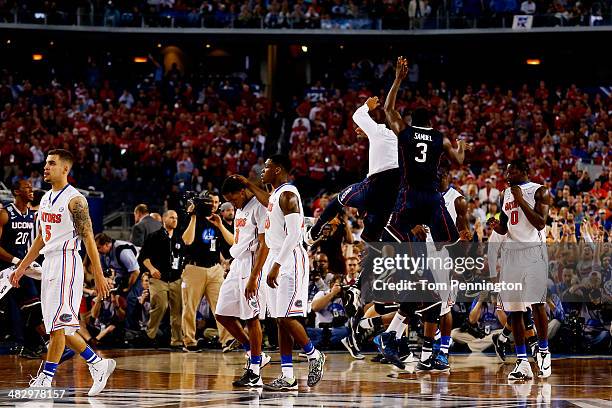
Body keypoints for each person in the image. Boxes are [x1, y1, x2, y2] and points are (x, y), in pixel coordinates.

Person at [375, 57, 468, 368]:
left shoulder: (406, 132)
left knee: (426, 292)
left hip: (408, 197)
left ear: (413, 121)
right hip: (430, 199)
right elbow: (457, 160)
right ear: (432, 123)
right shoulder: (440, 138)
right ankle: (398, 338)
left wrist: (398, 80)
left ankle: (399, 339)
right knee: (444, 256)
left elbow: (388, 111)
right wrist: (462, 147)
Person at [9, 149, 114, 396]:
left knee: (57, 326)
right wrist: (22, 267)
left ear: (65, 169)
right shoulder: (45, 199)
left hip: (68, 263)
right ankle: (98, 364)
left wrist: (98, 274)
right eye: (46, 163)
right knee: (62, 328)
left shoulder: (75, 200)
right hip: (50, 264)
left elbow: (88, 238)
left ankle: (45, 380)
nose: (46, 167)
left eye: (52, 163)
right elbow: (41, 239)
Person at [232, 154, 326, 391]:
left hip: (289, 257)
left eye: (267, 167)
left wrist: (276, 265)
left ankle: (314, 355)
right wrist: (248, 184)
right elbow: (266, 200)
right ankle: (288, 375)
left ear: (279, 169)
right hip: (276, 256)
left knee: (286, 316)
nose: (262, 170)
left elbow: (294, 235)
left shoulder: (288, 194)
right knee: (279, 319)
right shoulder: (275, 195)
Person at [488, 158, 552, 381]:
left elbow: (540, 223)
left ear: (525, 170)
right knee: (515, 311)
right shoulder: (506, 194)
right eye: (506, 171)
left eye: (512, 170)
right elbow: (505, 226)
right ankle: (522, 361)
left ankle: (543, 352)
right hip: (511, 255)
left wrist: (520, 199)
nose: (507, 174)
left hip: (533, 252)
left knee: (536, 304)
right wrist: (497, 226)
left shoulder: (539, 191)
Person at [306, 96, 399, 244]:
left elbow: (358, 115)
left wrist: (367, 106)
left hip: (375, 184)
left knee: (338, 200)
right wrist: (369, 134)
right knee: (372, 234)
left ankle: (314, 232)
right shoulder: (407, 140)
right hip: (393, 192)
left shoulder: (380, 132)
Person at [215, 176, 271, 387]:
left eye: (234, 199)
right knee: (222, 313)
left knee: (252, 317)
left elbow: (264, 245)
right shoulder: (240, 210)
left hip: (252, 265)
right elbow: (239, 242)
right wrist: (221, 225)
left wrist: (255, 276)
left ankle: (255, 371)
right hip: (237, 262)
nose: (233, 204)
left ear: (243, 191)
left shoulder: (259, 207)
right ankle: (254, 352)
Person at [417, 167, 471, 373]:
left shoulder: (457, 200)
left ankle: (443, 352)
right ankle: (430, 348)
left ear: (449, 175)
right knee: (427, 306)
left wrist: (459, 263)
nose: (437, 177)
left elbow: (465, 235)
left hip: (446, 257)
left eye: (441, 174)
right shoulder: (425, 197)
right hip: (425, 255)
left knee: (445, 307)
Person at [181, 192, 235, 352]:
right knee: (190, 307)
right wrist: (192, 216)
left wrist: (219, 225)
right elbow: (187, 240)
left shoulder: (217, 220)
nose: (214, 205)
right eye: (210, 202)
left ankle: (227, 340)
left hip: (214, 269)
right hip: (194, 269)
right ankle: (189, 342)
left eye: (216, 202)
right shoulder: (191, 218)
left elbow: (231, 241)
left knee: (221, 306)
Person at [0, 179, 45, 358]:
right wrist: (17, 260)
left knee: (31, 305)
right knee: (17, 310)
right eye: (27, 188)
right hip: (4, 268)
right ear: (17, 192)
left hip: (20, 267)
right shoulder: (5, 214)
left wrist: (26, 261)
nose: (31, 190)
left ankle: (32, 345)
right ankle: (34, 344)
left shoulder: (31, 216)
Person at [140, 210, 185, 348]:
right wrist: (152, 269)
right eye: (172, 217)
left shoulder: (180, 237)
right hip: (159, 278)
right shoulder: (153, 236)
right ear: (164, 219)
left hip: (176, 278)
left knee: (178, 311)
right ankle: (150, 335)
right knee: (160, 306)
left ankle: (177, 341)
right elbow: (143, 257)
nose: (175, 220)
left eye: (176, 218)